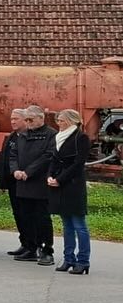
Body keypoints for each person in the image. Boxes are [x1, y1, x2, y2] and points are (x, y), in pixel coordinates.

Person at [48, 109, 92, 274]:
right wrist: (50, 176)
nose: (59, 124)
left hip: (73, 184)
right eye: (58, 121)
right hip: (59, 184)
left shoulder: (81, 138)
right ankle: (68, 259)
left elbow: (78, 163)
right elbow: (53, 159)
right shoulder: (58, 137)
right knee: (67, 225)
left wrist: (60, 179)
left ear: (72, 121)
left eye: (62, 121)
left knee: (79, 224)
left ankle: (83, 260)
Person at [12, 105, 56, 265]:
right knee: (26, 216)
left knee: (42, 218)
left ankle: (46, 250)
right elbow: (13, 154)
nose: (28, 123)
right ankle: (30, 247)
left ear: (41, 118)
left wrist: (28, 171)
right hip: (22, 182)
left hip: (39, 183)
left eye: (30, 120)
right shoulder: (23, 134)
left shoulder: (51, 135)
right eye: (26, 120)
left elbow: (48, 156)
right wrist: (15, 170)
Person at [0, 109, 29, 255]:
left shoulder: (29, 137)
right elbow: (4, 160)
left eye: (16, 119)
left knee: (27, 214)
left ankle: (33, 245)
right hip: (12, 183)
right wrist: (2, 183)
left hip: (25, 182)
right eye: (11, 119)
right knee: (17, 214)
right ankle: (24, 243)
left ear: (25, 120)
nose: (13, 122)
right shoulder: (10, 137)